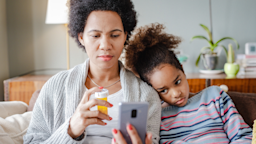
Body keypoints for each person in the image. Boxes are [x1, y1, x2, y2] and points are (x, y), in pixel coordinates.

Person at [23, 0, 161, 143]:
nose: (105, 45)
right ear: (81, 37)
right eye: (95, 35)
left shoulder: (146, 96)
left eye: (114, 35)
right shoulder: (55, 86)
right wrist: (71, 129)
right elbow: (32, 141)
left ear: (125, 36)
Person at [124, 23, 252, 143]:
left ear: (182, 69)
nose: (176, 93)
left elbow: (243, 136)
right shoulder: (156, 119)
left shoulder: (215, 97)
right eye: (163, 90)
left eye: (177, 81)